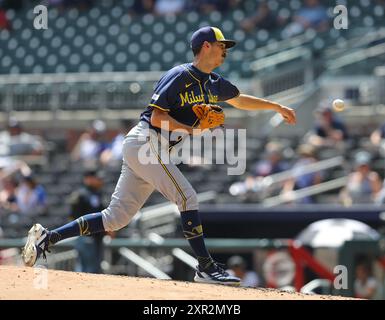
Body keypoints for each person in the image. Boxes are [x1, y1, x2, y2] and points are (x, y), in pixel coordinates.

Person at [21, 26, 296, 285]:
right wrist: (192, 127)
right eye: (222, 46)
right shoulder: (180, 75)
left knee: (116, 218)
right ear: (206, 46)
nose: (226, 51)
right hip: (145, 141)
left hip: (154, 150)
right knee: (187, 196)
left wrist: (275, 106)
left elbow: (238, 99)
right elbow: (156, 115)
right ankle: (205, 266)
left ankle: (48, 236)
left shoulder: (214, 84)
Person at [68, 170, 106, 273]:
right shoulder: (81, 195)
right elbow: (73, 216)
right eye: (95, 178)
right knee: (87, 268)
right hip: (85, 236)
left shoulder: (98, 194)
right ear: (88, 179)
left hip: (98, 236)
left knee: (96, 268)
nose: (99, 181)